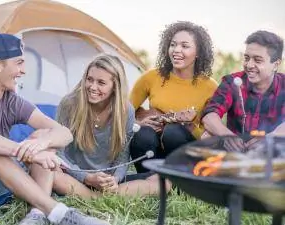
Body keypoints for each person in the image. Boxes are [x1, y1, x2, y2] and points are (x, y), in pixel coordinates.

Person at [0, 33, 109, 225]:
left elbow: (64, 133)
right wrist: (28, 154)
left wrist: (40, 145)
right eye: (19, 62)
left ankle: (36, 215)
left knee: (42, 136)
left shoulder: (11, 101)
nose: (23, 71)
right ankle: (58, 213)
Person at [52, 54, 169, 198]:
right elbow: (59, 154)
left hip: (105, 181)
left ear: (115, 86)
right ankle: (94, 196)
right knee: (52, 175)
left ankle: (97, 194)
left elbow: (122, 157)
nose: (92, 87)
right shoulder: (70, 104)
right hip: (73, 176)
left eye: (101, 83)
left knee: (165, 181)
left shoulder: (126, 110)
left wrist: (115, 179)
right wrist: (87, 178)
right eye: (89, 79)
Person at [129, 21, 218, 173]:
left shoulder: (211, 87)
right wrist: (140, 122)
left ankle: (180, 181)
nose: (176, 50)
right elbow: (124, 111)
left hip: (187, 153)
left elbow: (211, 139)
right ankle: (149, 180)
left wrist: (190, 126)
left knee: (173, 132)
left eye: (185, 46)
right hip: (154, 151)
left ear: (198, 52)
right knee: (142, 134)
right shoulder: (151, 77)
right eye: (173, 44)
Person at [202, 30, 284, 149]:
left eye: (257, 60)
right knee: (207, 137)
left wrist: (271, 138)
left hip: (274, 153)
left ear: (275, 65)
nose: (249, 65)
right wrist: (227, 135)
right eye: (247, 58)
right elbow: (209, 116)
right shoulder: (232, 82)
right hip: (236, 150)